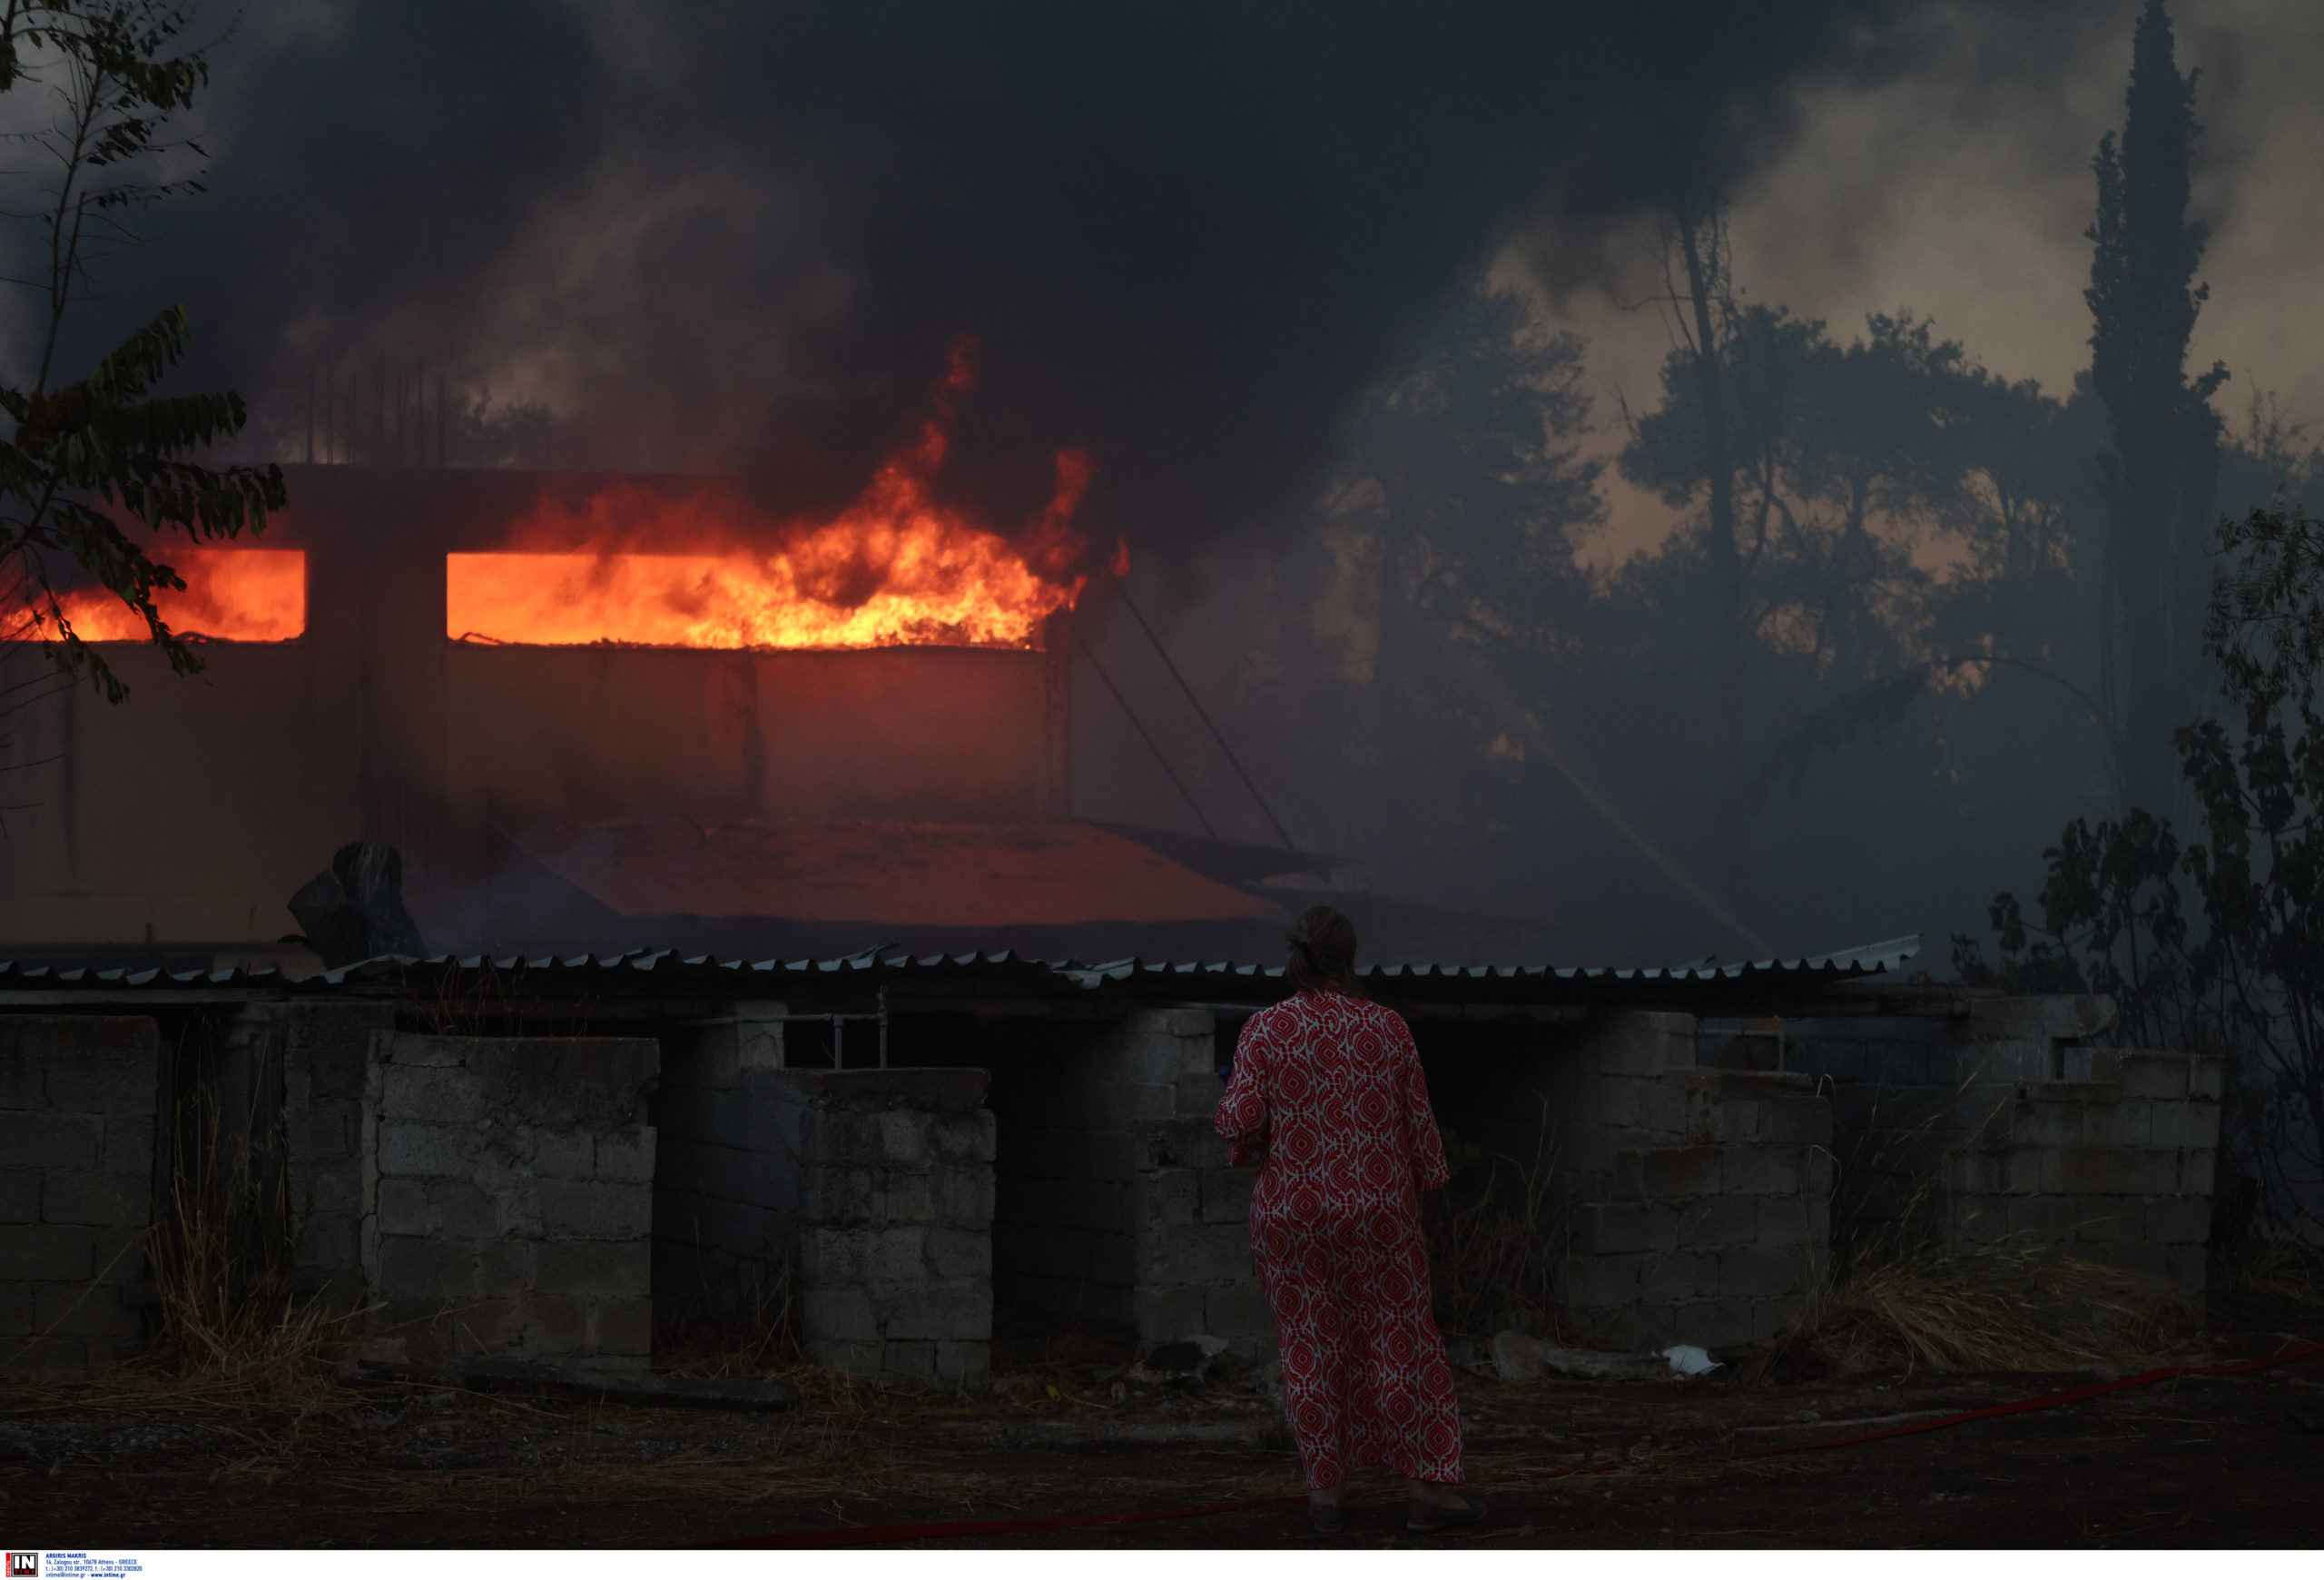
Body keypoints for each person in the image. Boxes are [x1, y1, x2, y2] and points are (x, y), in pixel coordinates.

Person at [1215, 904, 1485, 1535]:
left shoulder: (1266, 1029)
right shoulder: (1388, 1029)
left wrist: (1239, 1107)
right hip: (1379, 1212)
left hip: (1293, 1215)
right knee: (1401, 1341)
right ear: (1350, 958)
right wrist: (1419, 1190)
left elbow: (1238, 1123)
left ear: (1295, 957)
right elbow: (1421, 1133)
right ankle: (1428, 1491)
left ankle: (1327, 1500)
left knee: (1309, 1344)